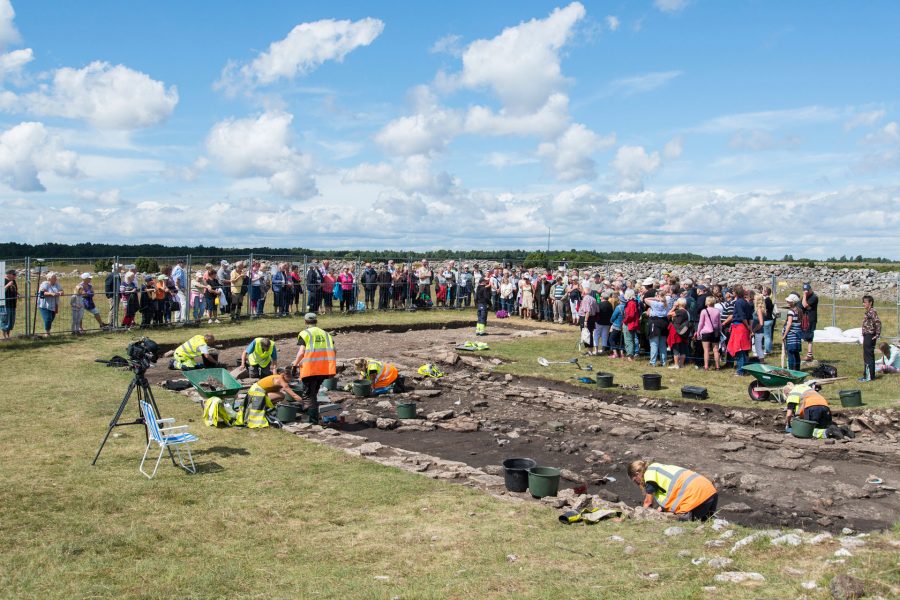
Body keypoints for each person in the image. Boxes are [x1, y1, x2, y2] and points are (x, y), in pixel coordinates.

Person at [627, 460, 718, 522]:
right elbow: (673, 491)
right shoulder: (658, 468)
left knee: (677, 521)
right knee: (704, 521)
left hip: (698, 497)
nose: (637, 484)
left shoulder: (649, 475)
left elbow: (648, 502)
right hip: (711, 493)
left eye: (635, 480)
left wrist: (640, 517)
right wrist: (661, 509)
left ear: (638, 474)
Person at [292, 313, 337, 424]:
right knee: (314, 394)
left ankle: (312, 421)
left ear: (305, 322)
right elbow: (334, 350)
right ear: (316, 321)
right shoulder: (326, 334)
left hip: (310, 370)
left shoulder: (305, 333)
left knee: (308, 396)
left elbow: (301, 352)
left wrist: (295, 365)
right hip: (323, 370)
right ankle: (314, 417)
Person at [235, 368, 304, 429]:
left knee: (279, 393)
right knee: (282, 395)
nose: (291, 380)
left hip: (253, 389)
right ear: (287, 377)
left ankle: (268, 406)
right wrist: (304, 402)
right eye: (290, 379)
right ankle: (266, 407)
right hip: (257, 393)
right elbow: (293, 395)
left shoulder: (278, 376)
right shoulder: (282, 382)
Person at [782, 382, 853, 439]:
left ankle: (828, 432)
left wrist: (788, 424)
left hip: (812, 407)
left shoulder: (792, 394)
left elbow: (789, 415)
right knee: (822, 427)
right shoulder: (804, 387)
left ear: (787, 393)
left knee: (807, 431)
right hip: (825, 406)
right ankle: (842, 430)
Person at [726, 284, 753, 376]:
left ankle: (740, 371)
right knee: (743, 350)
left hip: (739, 327)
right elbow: (750, 317)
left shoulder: (738, 302)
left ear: (736, 292)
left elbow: (742, 316)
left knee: (739, 349)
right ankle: (745, 369)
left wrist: (748, 326)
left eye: (733, 291)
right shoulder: (746, 302)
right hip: (743, 327)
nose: (732, 293)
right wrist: (750, 327)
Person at [694, 296, 721, 370]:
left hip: (706, 332)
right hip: (715, 332)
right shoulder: (717, 311)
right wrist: (720, 331)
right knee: (716, 350)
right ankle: (717, 367)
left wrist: (698, 332)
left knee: (706, 350)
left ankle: (706, 366)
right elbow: (719, 323)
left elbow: (701, 323)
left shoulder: (704, 311)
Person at [644, 288, 669, 367]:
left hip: (655, 322)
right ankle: (663, 362)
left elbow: (645, 299)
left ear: (658, 296)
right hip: (664, 322)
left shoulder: (655, 303)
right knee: (662, 344)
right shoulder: (666, 303)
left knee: (654, 343)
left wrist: (655, 298)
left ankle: (653, 362)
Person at [860, 295, 881, 382]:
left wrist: (877, 334)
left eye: (865, 302)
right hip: (867, 335)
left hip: (870, 335)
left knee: (868, 356)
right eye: (863, 302)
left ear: (870, 303)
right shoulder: (868, 312)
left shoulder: (872, 311)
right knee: (866, 355)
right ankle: (866, 375)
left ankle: (869, 377)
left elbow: (878, 322)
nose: (863, 304)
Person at [667, 298, 691, 369]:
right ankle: (681, 364)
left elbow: (668, 314)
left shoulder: (679, 311)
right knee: (683, 348)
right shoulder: (687, 312)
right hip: (683, 331)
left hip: (676, 331)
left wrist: (674, 307)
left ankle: (676, 364)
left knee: (676, 348)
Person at [37, 272, 63, 337]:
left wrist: (60, 293)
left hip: (54, 304)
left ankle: (47, 329)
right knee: (48, 318)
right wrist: (51, 294)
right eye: (54, 278)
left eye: (55, 277)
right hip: (45, 305)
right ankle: (47, 333)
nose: (56, 279)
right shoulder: (44, 284)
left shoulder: (57, 284)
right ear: (49, 278)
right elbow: (42, 293)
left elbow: (62, 291)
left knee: (52, 318)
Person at [782, 294, 803, 370]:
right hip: (798, 335)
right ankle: (797, 369)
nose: (787, 302)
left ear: (793, 302)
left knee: (790, 353)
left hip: (791, 335)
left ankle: (791, 370)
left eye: (789, 301)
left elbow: (789, 324)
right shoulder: (799, 310)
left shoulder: (791, 311)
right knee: (796, 353)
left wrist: (784, 335)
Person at [577, 284, 599, 356]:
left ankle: (589, 351)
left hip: (586, 318)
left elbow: (587, 311)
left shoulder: (586, 299)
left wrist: (585, 321)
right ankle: (589, 351)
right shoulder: (593, 299)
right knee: (589, 334)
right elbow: (597, 310)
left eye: (582, 291)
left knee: (586, 334)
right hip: (592, 318)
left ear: (584, 292)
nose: (581, 292)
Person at [801, 283, 818, 362]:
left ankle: (809, 355)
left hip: (811, 319)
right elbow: (800, 305)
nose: (806, 292)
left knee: (809, 336)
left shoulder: (814, 297)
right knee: (803, 335)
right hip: (804, 319)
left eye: (807, 290)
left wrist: (804, 295)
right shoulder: (805, 297)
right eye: (804, 290)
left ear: (810, 290)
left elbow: (804, 305)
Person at [622, 289, 640, 360]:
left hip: (629, 323)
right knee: (631, 339)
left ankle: (630, 355)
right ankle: (631, 354)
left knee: (628, 339)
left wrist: (624, 321)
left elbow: (630, 315)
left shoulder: (631, 303)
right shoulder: (633, 302)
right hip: (632, 323)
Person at [1, 268, 18, 339]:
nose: (15, 276)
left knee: (11, 321)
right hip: (5, 304)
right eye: (14, 274)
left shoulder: (13, 281)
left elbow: (14, 290)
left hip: (13, 304)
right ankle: (4, 337)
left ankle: (8, 336)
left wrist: (17, 294)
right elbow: (1, 292)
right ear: (8, 274)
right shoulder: (2, 281)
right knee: (5, 320)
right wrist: (7, 285)